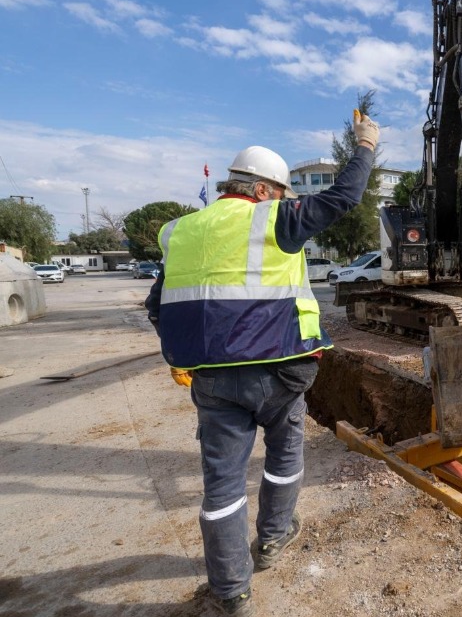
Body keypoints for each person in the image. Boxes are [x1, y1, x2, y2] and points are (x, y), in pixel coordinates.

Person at [145, 111, 380, 616]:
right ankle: (273, 540)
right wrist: (365, 144)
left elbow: (156, 306)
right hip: (280, 372)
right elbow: (343, 198)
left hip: (212, 382)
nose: (286, 204)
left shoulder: (180, 232)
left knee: (222, 484)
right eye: (281, 195)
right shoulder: (273, 218)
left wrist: (191, 353)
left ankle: (230, 591)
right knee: (284, 458)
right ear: (261, 192)